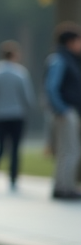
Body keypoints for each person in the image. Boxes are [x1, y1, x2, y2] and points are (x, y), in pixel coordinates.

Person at [0, 41, 37, 191]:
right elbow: (27, 97)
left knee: (0, 147)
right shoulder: (21, 73)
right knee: (15, 148)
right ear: (14, 55)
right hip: (17, 115)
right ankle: (13, 178)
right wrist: (31, 108)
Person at [45, 23, 81, 200]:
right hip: (67, 111)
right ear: (70, 42)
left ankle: (61, 186)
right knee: (71, 151)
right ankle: (66, 188)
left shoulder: (66, 59)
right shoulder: (60, 60)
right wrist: (63, 109)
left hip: (67, 111)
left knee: (66, 151)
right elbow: (52, 88)